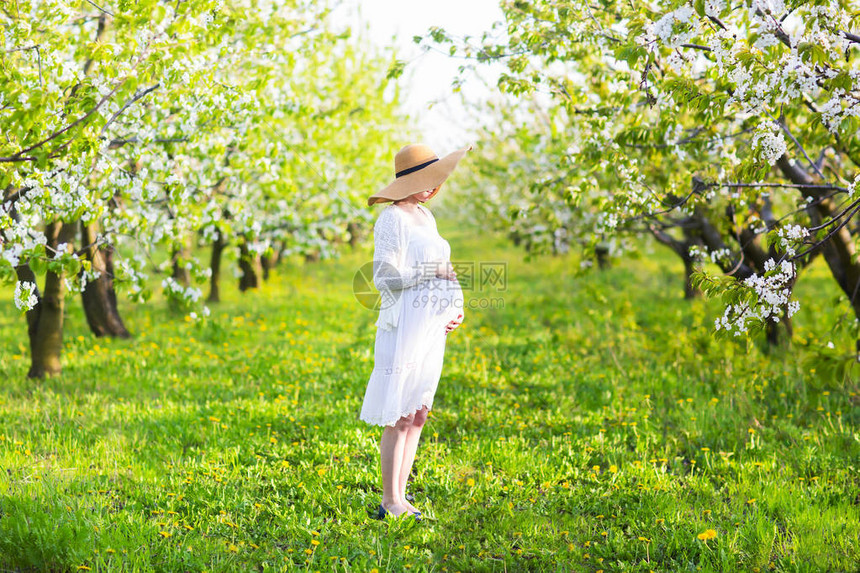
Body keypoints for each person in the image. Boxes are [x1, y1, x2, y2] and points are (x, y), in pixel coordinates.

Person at [360, 143, 470, 519]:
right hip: (404, 322)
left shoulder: (425, 215)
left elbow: (446, 267)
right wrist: (430, 274)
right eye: (425, 180)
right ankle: (389, 500)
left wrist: (455, 307)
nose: (432, 187)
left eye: (435, 180)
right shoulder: (393, 219)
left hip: (430, 324)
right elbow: (384, 277)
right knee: (400, 413)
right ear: (406, 180)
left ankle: (402, 498)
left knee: (419, 411)